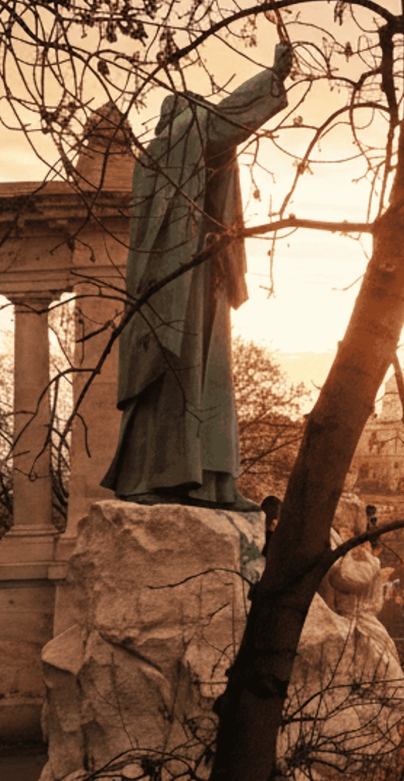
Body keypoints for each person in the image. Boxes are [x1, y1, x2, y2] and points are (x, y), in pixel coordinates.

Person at [101, 43, 293, 510]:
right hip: (173, 284)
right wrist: (269, 78)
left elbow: (218, 140)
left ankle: (215, 482)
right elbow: (224, 126)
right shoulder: (165, 152)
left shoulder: (180, 152)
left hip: (202, 272)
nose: (204, 126)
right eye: (196, 116)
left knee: (212, 380)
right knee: (178, 378)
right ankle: (159, 479)